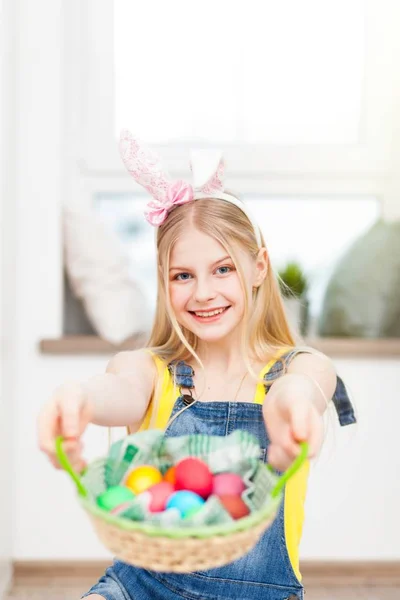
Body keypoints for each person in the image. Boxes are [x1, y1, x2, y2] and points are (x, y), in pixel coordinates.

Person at [37, 130, 356, 600]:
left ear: (259, 267)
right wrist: (78, 398)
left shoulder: (299, 368)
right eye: (183, 275)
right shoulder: (152, 371)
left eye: (222, 268)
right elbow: (119, 390)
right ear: (164, 284)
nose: (203, 292)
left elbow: (304, 389)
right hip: (143, 584)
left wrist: (294, 407)